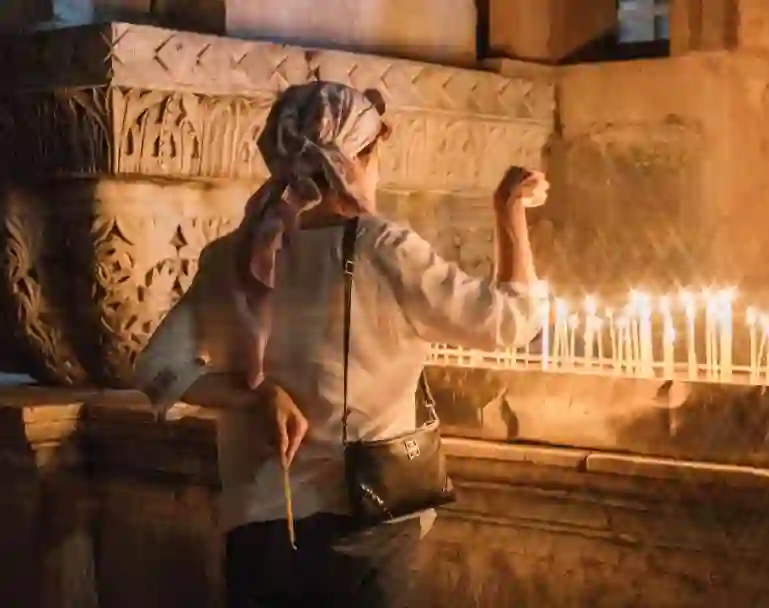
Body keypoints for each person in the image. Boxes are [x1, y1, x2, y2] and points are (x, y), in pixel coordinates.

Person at [132, 81, 548, 607]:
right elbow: (510, 321)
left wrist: (256, 395)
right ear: (360, 159)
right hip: (367, 523)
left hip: (261, 527)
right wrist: (510, 211)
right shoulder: (381, 247)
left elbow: (155, 367)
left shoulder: (230, 256)